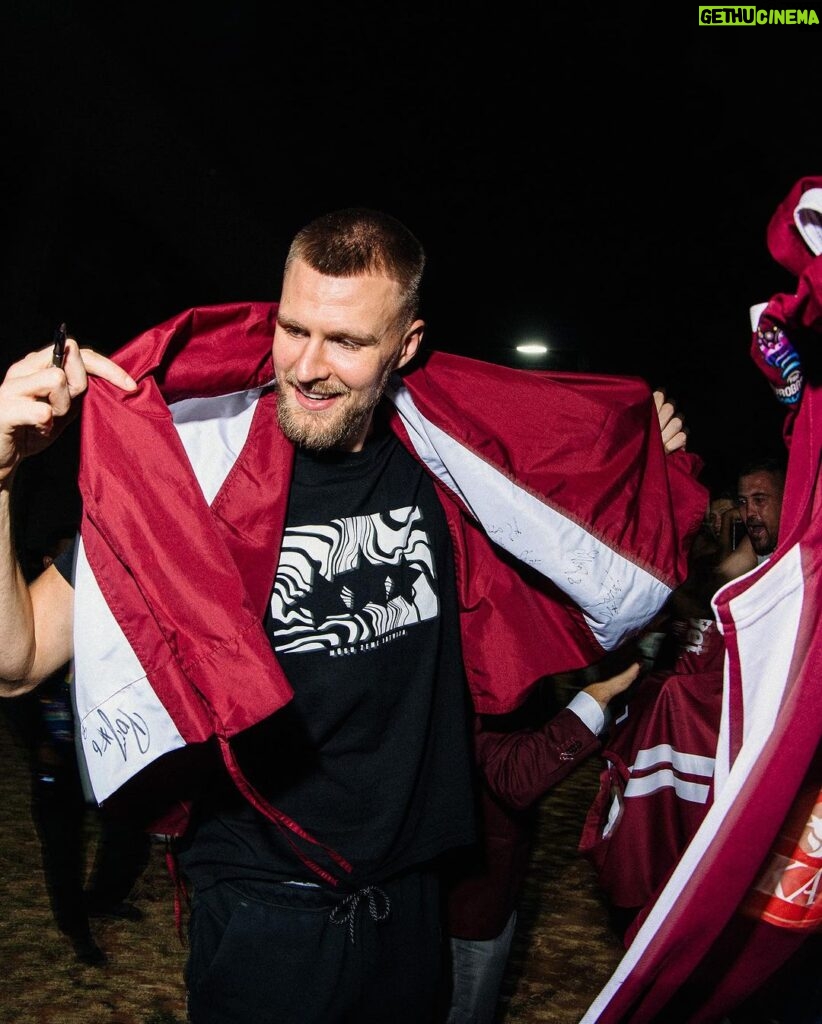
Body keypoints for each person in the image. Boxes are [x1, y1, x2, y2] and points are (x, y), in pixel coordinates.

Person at [0, 208, 705, 1023]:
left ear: (405, 345)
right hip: (265, 914)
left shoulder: (449, 469)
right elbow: (18, 660)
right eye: (293, 329)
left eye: (347, 342)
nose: (307, 366)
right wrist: (3, 473)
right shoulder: (199, 470)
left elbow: (569, 505)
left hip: (414, 909)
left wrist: (632, 470)